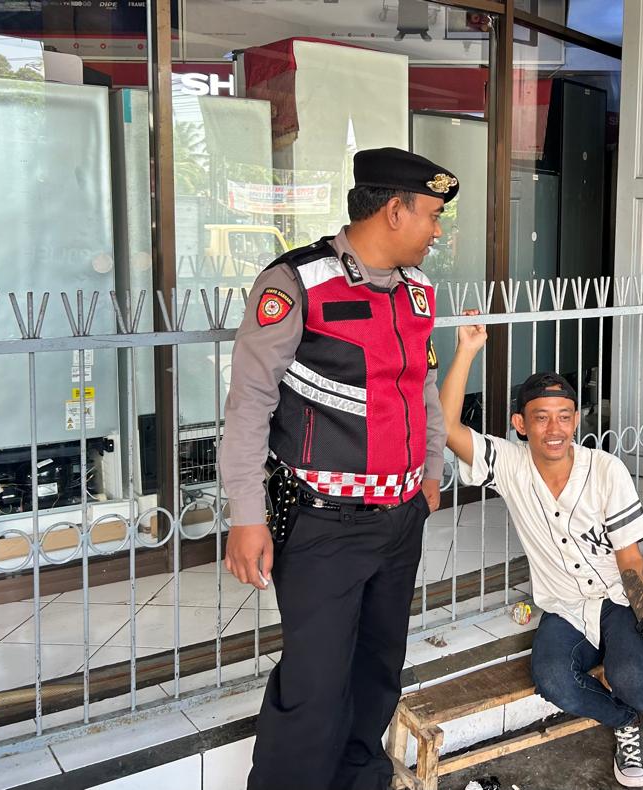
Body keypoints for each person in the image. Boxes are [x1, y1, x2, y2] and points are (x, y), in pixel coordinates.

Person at [219, 147, 456, 790]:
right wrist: (247, 515)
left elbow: (421, 389)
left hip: (400, 519)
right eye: (432, 215)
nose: (437, 231)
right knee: (314, 687)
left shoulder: (417, 291)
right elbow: (249, 403)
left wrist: (430, 473)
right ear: (394, 211)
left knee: (377, 674)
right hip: (323, 524)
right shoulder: (296, 283)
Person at [439, 319, 643, 790]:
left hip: (619, 600)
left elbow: (630, 559)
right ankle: (625, 723)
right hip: (564, 605)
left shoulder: (606, 470)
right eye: (540, 417)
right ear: (520, 424)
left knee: (631, 675)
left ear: (576, 420)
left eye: (564, 416)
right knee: (553, 680)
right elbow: (447, 427)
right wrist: (467, 352)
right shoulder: (510, 464)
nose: (554, 428)